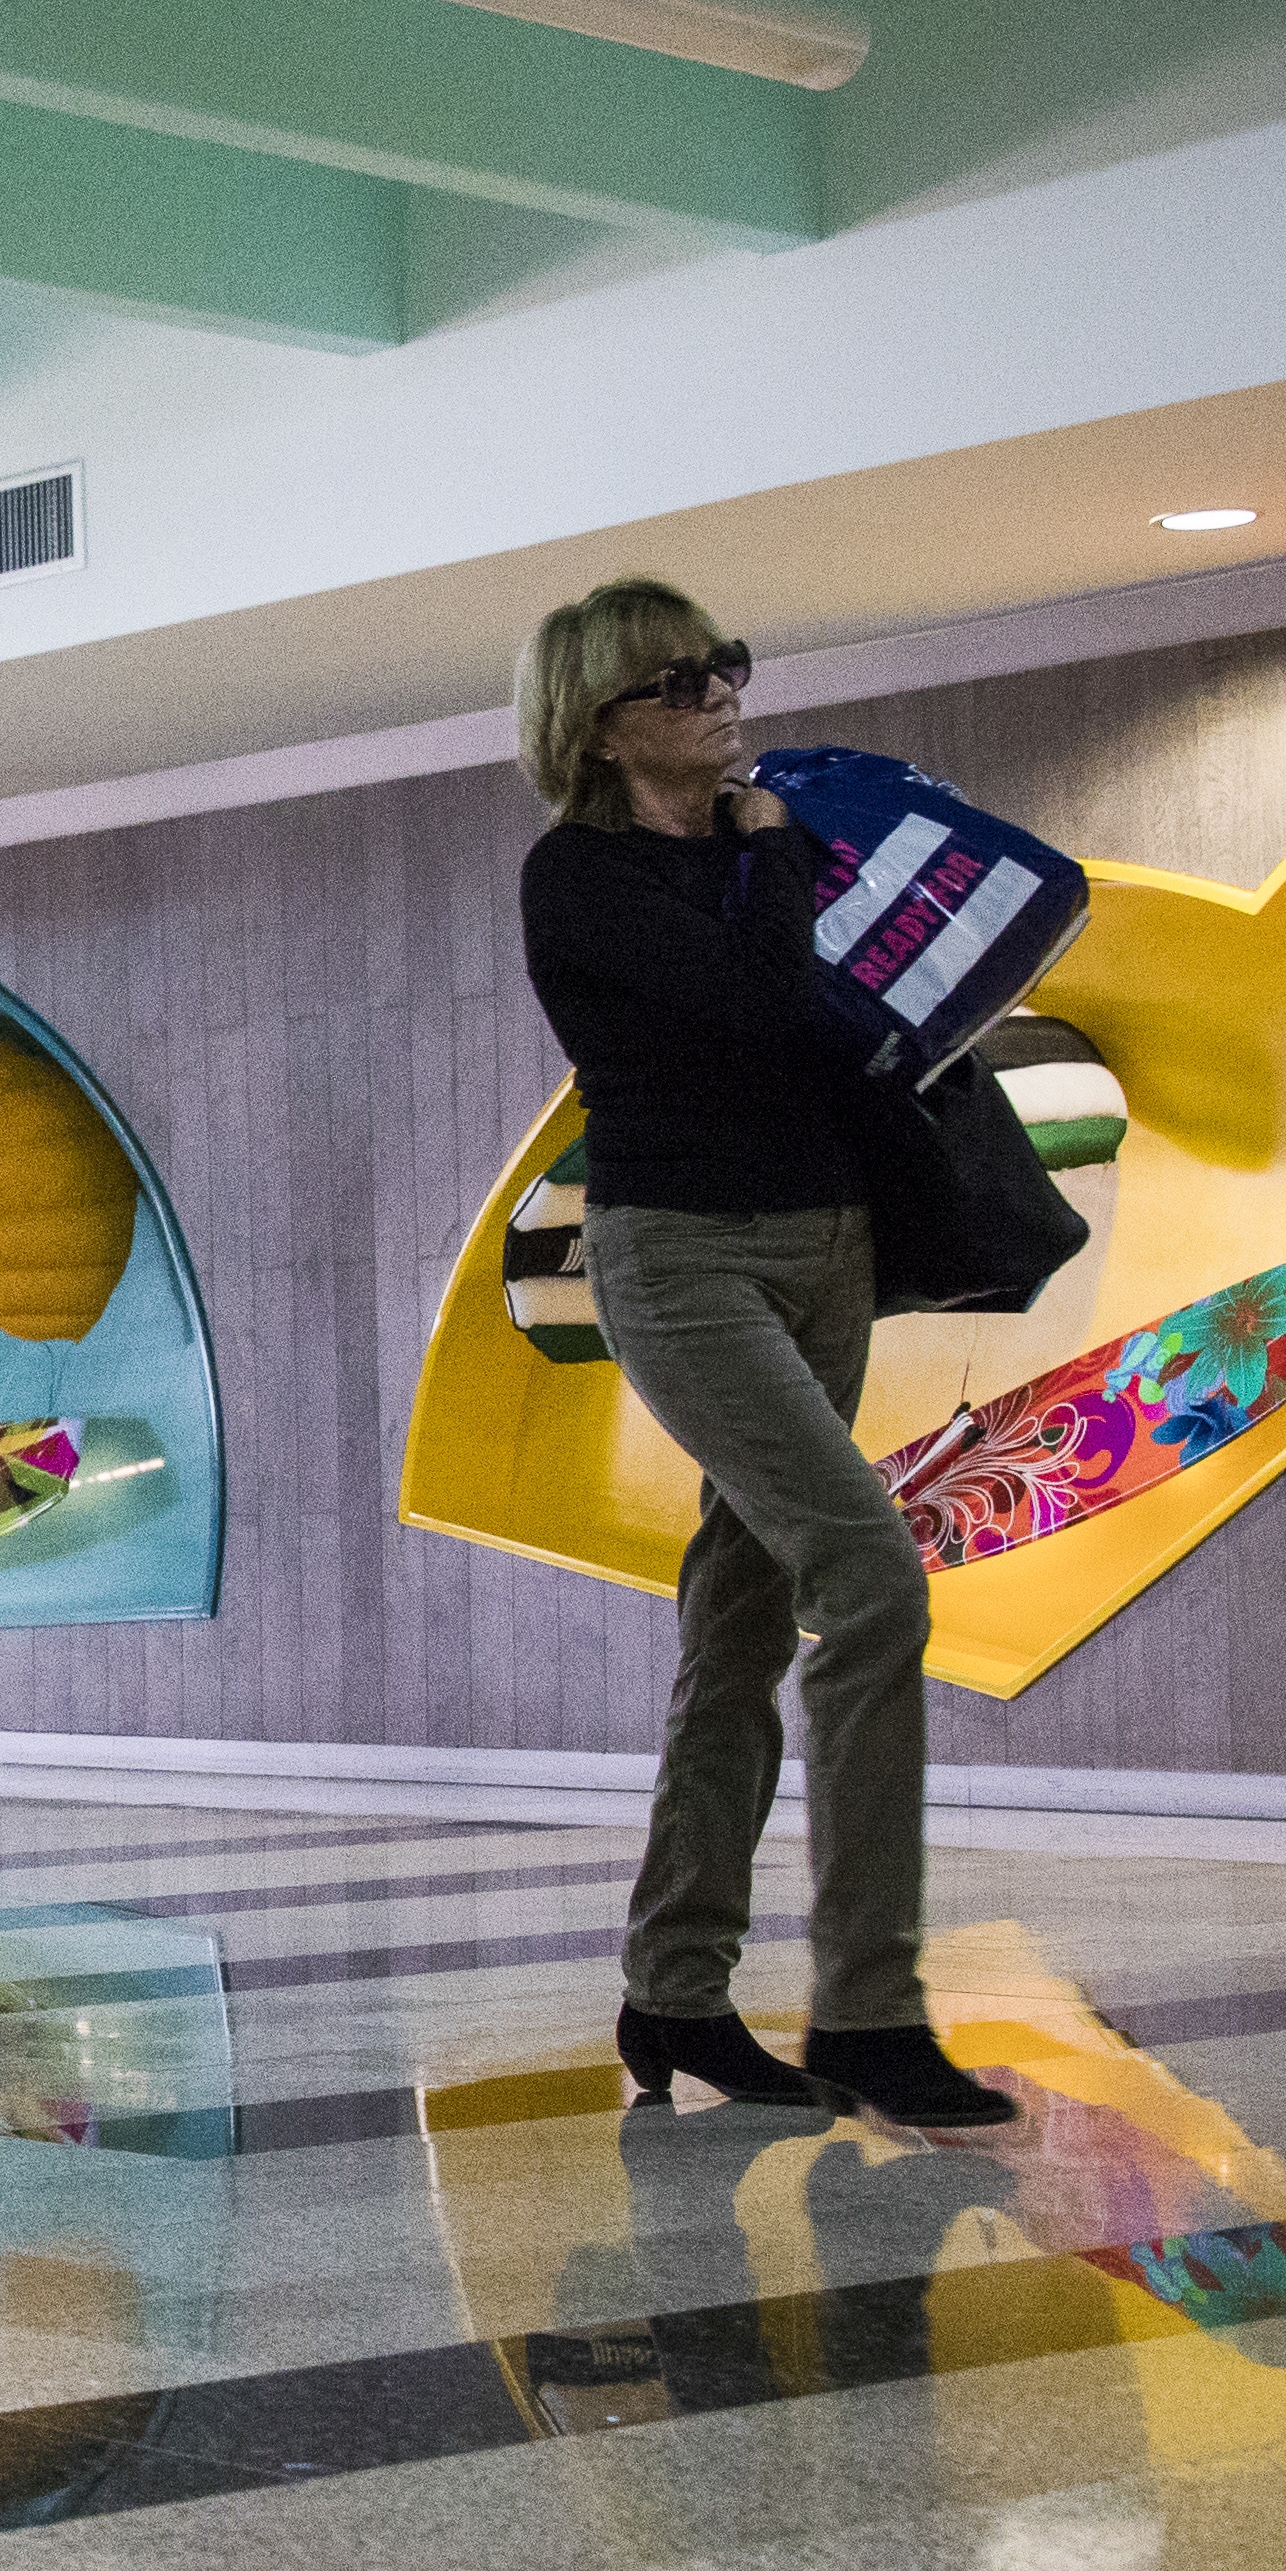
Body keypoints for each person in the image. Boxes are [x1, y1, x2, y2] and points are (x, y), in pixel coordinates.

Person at [515, 578, 1009, 2130]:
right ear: (600, 723)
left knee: (739, 1621)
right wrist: (777, 856)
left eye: (726, 664)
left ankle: (674, 1991)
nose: (723, 695)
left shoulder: (760, 845)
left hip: (828, 1243)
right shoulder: (576, 875)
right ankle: (872, 2009)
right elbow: (747, 1001)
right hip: (682, 1258)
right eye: (679, 682)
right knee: (870, 1579)